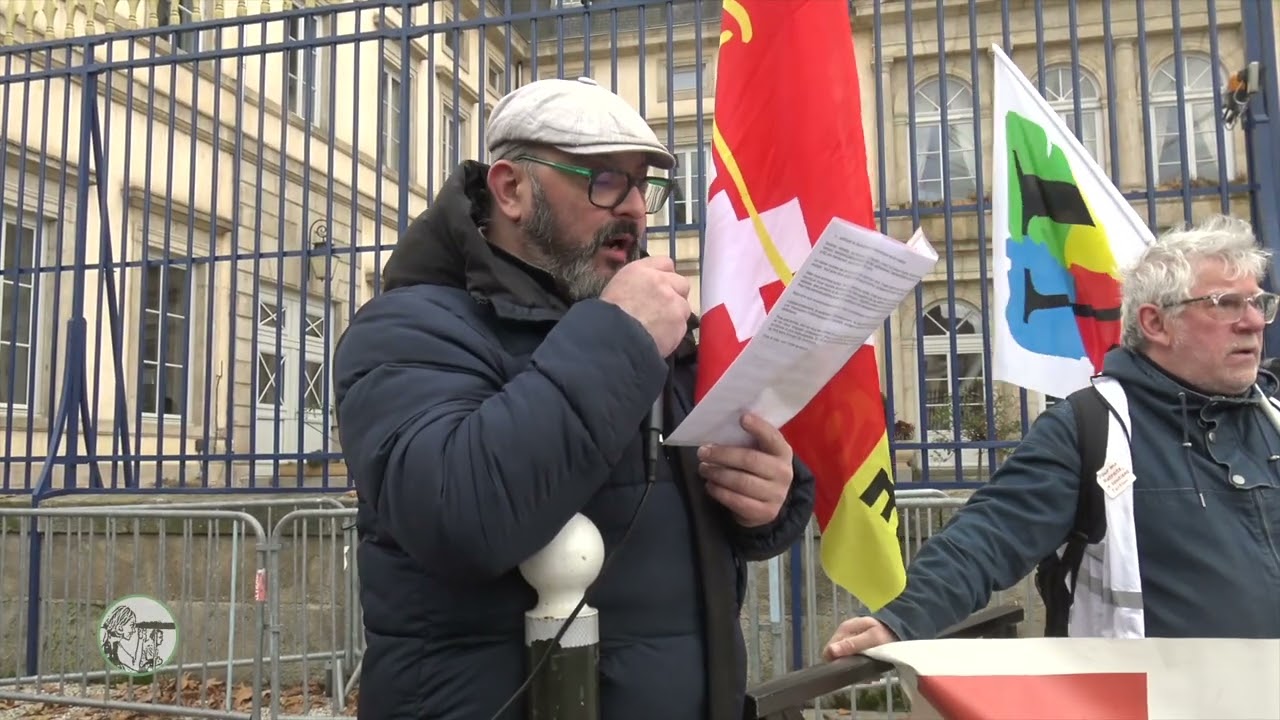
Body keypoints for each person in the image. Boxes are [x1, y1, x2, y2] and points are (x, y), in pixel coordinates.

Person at [333, 76, 816, 720]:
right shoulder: (406, 328)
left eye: (644, 184)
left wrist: (769, 498)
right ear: (510, 189)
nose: (636, 209)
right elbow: (460, 513)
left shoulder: (654, 331)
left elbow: (697, 502)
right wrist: (619, 337)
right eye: (605, 180)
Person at [824, 214, 1280, 660]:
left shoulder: (1272, 419)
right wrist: (901, 620)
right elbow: (990, 535)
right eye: (1225, 304)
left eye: (1258, 303)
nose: (1254, 323)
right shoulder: (1090, 428)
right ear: (1155, 323)